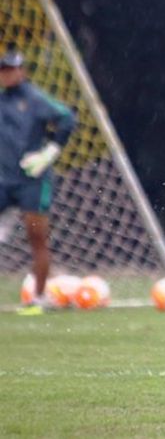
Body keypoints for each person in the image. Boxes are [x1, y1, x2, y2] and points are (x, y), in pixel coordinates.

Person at [0, 48, 77, 316]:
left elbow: (67, 118)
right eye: (5, 70)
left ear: (22, 71)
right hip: (3, 179)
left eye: (13, 69)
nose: (9, 74)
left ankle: (39, 297)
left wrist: (50, 152)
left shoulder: (34, 99)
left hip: (32, 179)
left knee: (37, 238)